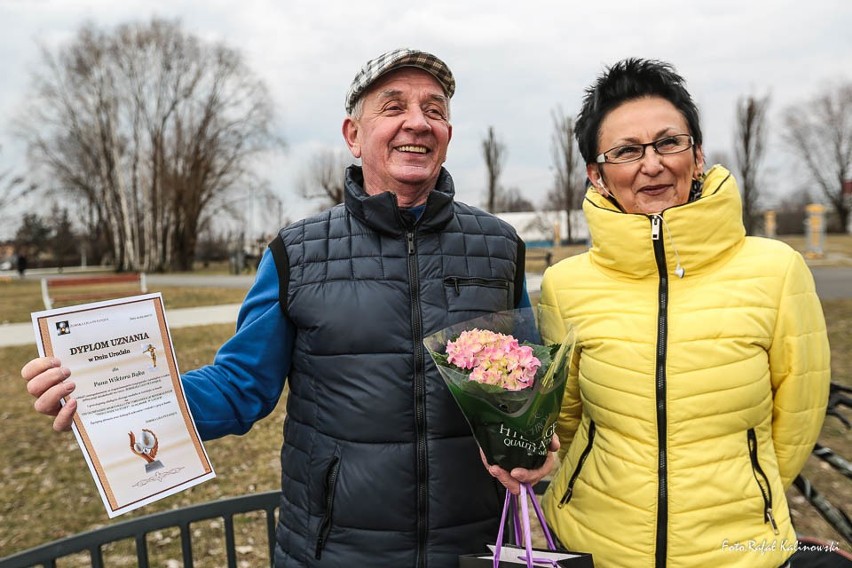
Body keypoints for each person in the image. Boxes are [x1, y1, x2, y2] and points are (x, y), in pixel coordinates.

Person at [20, 48, 554, 567]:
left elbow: (525, 388)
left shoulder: (498, 245)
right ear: (353, 135)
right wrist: (109, 398)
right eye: (393, 107)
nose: (417, 122)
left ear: (447, 136)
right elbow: (239, 388)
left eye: (433, 110)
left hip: (472, 546)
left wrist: (537, 446)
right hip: (330, 549)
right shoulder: (295, 252)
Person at [537, 58, 831, 568]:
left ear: (697, 155)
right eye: (626, 151)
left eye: (668, 142)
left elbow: (798, 416)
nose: (651, 164)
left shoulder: (777, 270)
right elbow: (565, 418)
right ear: (597, 174)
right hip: (593, 544)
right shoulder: (565, 284)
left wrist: (745, 496)